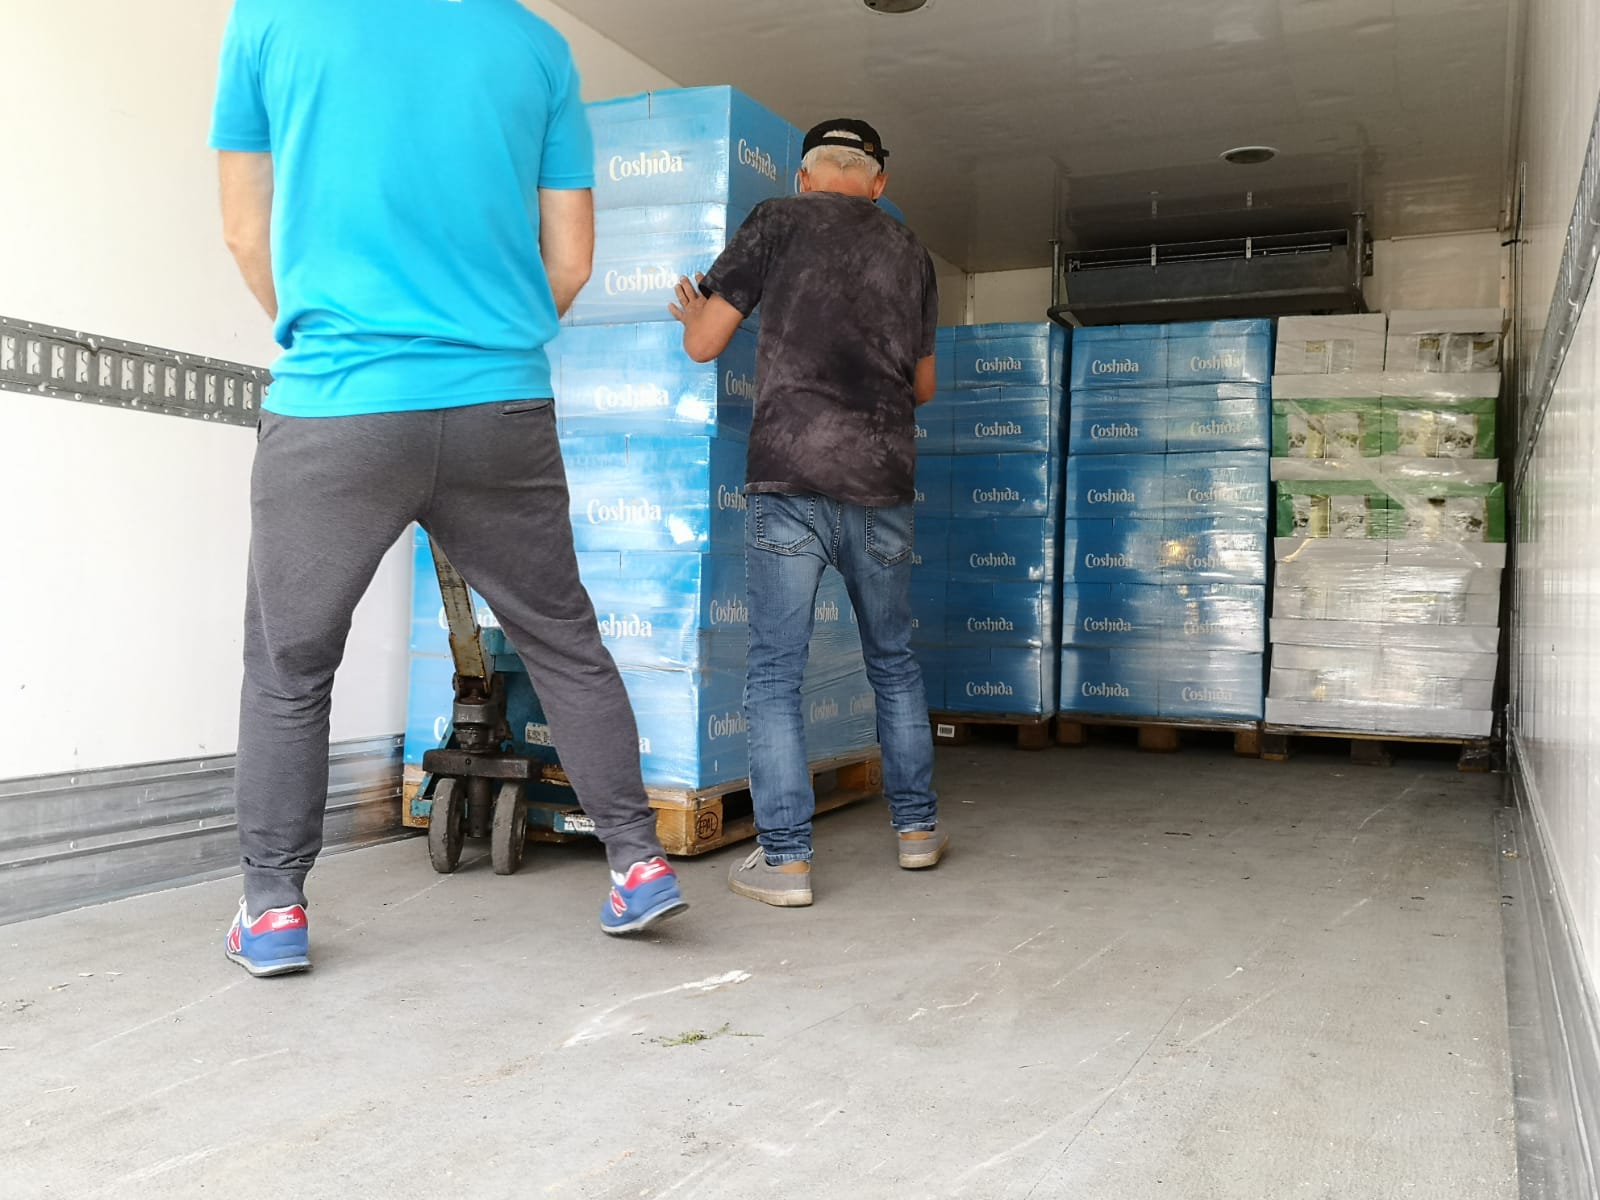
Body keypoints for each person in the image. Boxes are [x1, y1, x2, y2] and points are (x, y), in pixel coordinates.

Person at [209, 0, 686, 977]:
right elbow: (571, 260)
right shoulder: (537, 46)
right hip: (498, 408)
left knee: (290, 666)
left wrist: (335, 342)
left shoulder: (270, 19)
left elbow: (244, 232)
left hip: (339, 404)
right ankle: (637, 862)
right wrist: (492, 345)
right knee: (563, 639)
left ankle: (273, 909)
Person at [669, 118, 945, 908]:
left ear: (803, 176)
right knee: (892, 661)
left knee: (775, 672)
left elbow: (704, 345)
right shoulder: (912, 252)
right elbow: (923, 388)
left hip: (790, 481)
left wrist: (695, 317)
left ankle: (786, 861)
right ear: (878, 183)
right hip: (881, 485)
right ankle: (918, 832)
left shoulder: (776, 220)